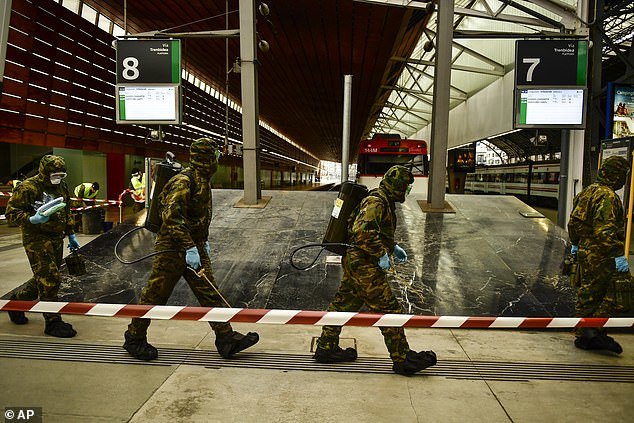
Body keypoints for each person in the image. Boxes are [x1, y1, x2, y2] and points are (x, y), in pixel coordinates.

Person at [123, 138, 259, 360]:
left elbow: (197, 217)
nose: (216, 160)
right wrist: (189, 247)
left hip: (191, 244)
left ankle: (226, 338)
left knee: (209, 291)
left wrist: (201, 241)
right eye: (214, 156)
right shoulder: (184, 181)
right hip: (172, 247)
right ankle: (134, 338)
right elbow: (171, 218)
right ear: (207, 158)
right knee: (155, 294)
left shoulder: (201, 179)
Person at [314, 165, 437, 375]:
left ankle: (326, 347)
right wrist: (381, 254)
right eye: (406, 187)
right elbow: (362, 233)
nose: (407, 191)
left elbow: (375, 230)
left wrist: (391, 247)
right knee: (390, 310)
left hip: (357, 262)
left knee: (342, 306)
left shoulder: (383, 201)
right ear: (397, 186)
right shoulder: (376, 202)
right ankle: (402, 358)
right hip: (364, 266)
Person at [5, 155, 80, 338]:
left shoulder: (61, 185)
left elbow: (66, 209)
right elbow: (11, 213)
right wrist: (31, 219)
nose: (58, 178)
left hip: (56, 237)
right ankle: (52, 322)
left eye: (62, 174)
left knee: (43, 277)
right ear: (45, 172)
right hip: (36, 238)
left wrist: (71, 233)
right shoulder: (28, 187)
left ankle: (16, 303)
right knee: (50, 278)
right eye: (55, 174)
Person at [568, 155, 630, 354]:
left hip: (585, 251)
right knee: (613, 294)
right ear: (615, 175)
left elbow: (573, 223)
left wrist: (576, 244)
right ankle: (593, 331)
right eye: (622, 176)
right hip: (601, 254)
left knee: (587, 293)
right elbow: (605, 232)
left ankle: (585, 334)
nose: (623, 180)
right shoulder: (608, 197)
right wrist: (617, 255)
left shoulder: (587, 192)